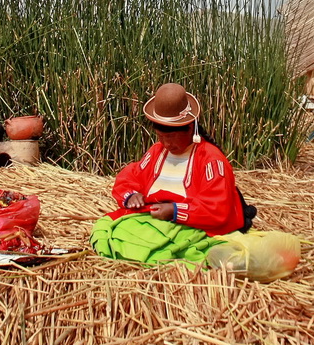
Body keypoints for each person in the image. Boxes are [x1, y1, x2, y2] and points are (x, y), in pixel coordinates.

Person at [90, 82, 252, 263]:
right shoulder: (157, 152)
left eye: (171, 137)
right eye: (160, 137)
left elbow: (216, 209)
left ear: (190, 128)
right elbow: (131, 176)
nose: (166, 144)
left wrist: (174, 211)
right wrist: (131, 195)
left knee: (147, 242)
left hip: (191, 225)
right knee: (106, 227)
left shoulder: (211, 161)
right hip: (151, 217)